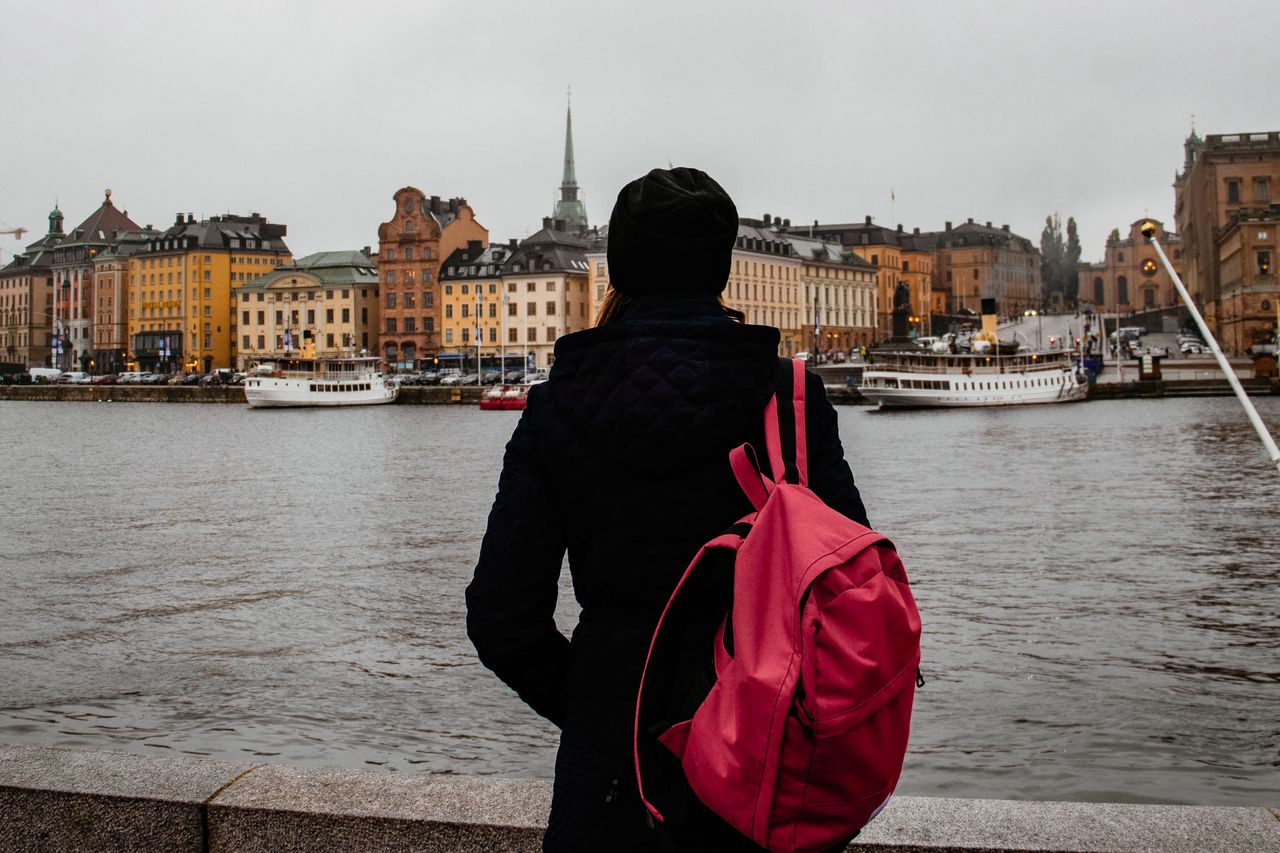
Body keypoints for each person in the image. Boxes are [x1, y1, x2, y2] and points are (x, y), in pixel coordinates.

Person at [466, 167, 869, 852]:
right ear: (720, 268)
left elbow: (502, 620)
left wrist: (601, 710)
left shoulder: (558, 406)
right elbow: (850, 589)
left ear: (616, 265)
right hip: (766, 771)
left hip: (611, 786)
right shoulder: (788, 396)